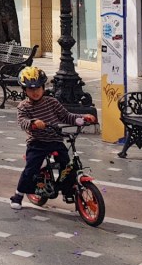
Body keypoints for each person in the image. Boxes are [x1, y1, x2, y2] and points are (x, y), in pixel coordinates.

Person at [10, 66, 96, 209]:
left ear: (43, 87)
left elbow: (66, 116)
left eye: (38, 88)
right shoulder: (23, 107)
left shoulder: (52, 102)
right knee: (31, 168)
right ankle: (18, 195)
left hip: (55, 140)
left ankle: (68, 191)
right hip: (37, 143)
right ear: (25, 90)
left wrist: (82, 118)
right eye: (31, 89)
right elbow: (23, 122)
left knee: (67, 166)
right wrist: (33, 123)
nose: (35, 92)